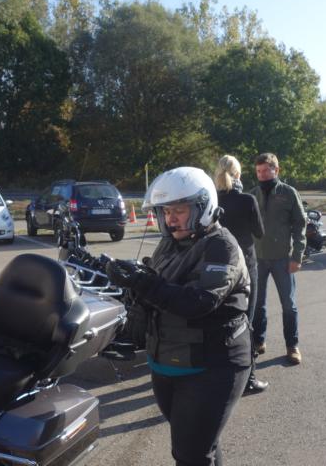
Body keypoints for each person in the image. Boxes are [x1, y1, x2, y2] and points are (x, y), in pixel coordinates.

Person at [106, 166, 251, 466]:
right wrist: (123, 277)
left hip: (212, 366)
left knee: (190, 454)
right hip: (169, 362)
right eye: (166, 211)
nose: (171, 218)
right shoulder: (170, 243)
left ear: (203, 207)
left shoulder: (221, 246)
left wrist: (144, 283)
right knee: (199, 446)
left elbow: (199, 302)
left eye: (180, 210)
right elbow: (154, 288)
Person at [214, 155, 269, 395]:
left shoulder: (211, 199)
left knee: (219, 320)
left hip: (217, 266)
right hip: (245, 266)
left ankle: (216, 372)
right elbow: (260, 232)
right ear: (238, 174)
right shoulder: (247, 200)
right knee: (246, 321)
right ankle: (249, 378)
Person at [250, 153, 306, 365]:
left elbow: (300, 225)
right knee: (257, 304)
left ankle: (292, 345)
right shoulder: (252, 194)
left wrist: (297, 256)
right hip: (258, 259)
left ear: (276, 170)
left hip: (283, 259)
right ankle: (258, 341)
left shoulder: (288, 193)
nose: (262, 175)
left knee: (289, 305)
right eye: (258, 171)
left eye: (266, 170)